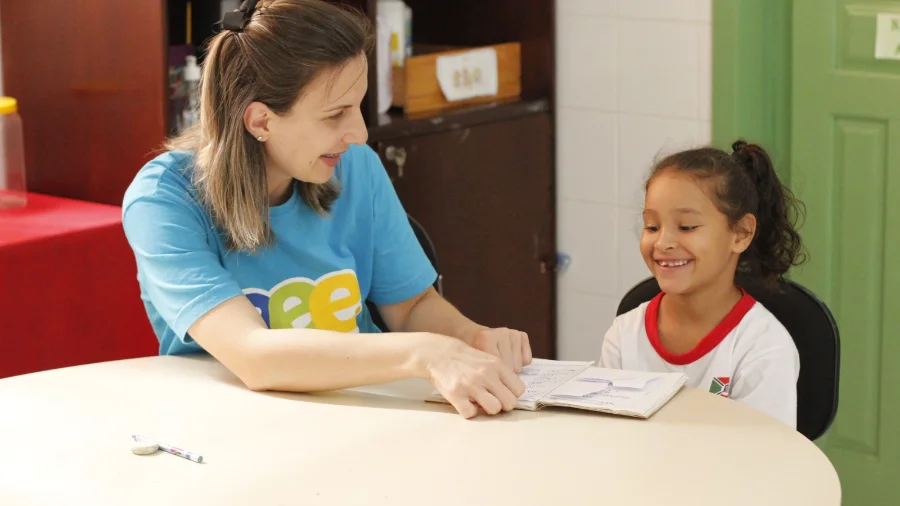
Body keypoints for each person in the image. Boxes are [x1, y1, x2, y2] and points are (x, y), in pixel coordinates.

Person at [121, 0, 532, 419]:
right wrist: (423, 353)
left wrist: (472, 338)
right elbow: (253, 355)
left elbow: (411, 307)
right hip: (234, 425)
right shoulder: (163, 200)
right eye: (336, 115)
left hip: (364, 411)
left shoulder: (355, 167)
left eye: (358, 106)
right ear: (261, 121)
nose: (360, 133)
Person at [599, 140, 806, 429]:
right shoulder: (623, 337)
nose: (663, 242)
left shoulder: (763, 348)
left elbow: (761, 462)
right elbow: (608, 439)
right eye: (652, 226)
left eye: (686, 227)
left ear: (741, 233)